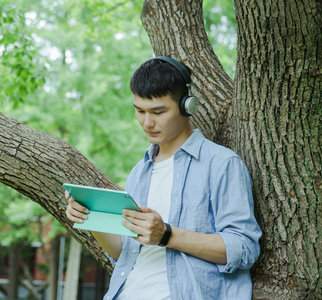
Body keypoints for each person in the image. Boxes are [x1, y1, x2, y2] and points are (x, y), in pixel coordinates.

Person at [65, 56, 262, 299]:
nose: (147, 122)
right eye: (140, 111)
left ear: (187, 106)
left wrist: (167, 235)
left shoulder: (222, 164)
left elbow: (243, 249)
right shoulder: (139, 172)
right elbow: (125, 253)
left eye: (158, 112)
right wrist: (90, 218)